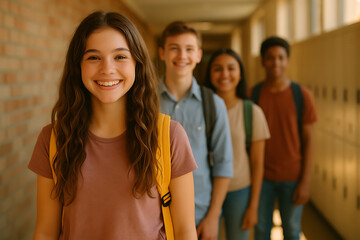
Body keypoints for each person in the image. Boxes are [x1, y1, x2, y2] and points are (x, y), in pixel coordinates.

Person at [28, 11, 198, 240]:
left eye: (120, 57)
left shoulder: (169, 135)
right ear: (77, 66)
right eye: (93, 57)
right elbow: (45, 232)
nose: (107, 69)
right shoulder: (54, 139)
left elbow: (186, 231)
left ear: (137, 64)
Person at [158, 22, 233, 239]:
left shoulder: (213, 104)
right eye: (174, 47)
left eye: (189, 49)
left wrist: (212, 217)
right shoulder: (144, 102)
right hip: (153, 217)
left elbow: (223, 165)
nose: (182, 55)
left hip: (199, 215)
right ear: (162, 53)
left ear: (199, 55)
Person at [251, 36, 318, 240]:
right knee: (261, 229)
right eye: (270, 57)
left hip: (292, 176)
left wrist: (305, 182)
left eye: (281, 57)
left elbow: (309, 141)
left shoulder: (301, 95)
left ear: (287, 60)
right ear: (262, 61)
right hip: (261, 177)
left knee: (291, 229)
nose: (275, 63)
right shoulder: (253, 94)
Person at [204, 48, 270, 240]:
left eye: (231, 68)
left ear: (240, 73)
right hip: (205, 191)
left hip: (239, 191)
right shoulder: (200, 109)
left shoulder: (252, 112)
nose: (225, 74)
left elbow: (258, 163)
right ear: (209, 74)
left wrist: (253, 206)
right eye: (218, 68)